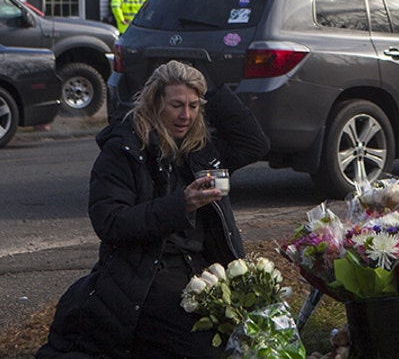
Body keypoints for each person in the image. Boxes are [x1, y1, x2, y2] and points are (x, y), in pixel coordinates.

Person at [37, 60, 270, 359]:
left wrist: (211, 85)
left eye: (194, 105)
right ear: (155, 102)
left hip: (204, 269)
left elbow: (255, 143)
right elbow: (110, 223)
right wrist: (180, 205)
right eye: (176, 105)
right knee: (208, 350)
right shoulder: (124, 150)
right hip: (149, 274)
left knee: (257, 337)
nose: (185, 115)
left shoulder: (200, 148)